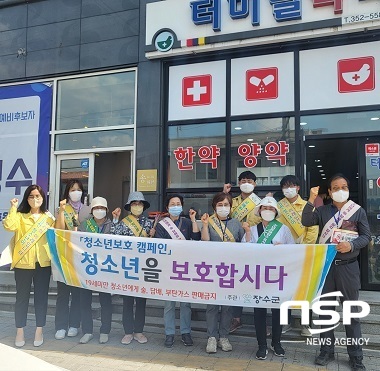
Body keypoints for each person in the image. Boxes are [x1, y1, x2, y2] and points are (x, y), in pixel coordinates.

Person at [302, 173, 371, 370]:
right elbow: (306, 221)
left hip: (348, 268)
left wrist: (351, 245)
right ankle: (326, 351)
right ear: (330, 192)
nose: (340, 190)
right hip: (328, 268)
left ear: (348, 190)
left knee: (351, 314)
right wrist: (310, 200)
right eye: (336, 187)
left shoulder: (357, 211)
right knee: (325, 313)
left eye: (344, 187)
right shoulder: (323, 211)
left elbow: (366, 236)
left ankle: (356, 357)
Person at [242, 196, 294, 360]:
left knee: (278, 311)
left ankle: (276, 343)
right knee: (259, 312)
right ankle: (261, 345)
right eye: (265, 208)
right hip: (258, 276)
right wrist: (248, 233)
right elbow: (244, 250)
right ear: (259, 211)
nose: (268, 211)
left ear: (276, 212)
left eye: (271, 209)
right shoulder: (253, 228)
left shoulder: (283, 228)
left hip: (277, 276)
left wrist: (282, 248)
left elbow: (292, 250)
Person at [2, 185, 55, 348]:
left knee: (41, 298)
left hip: (43, 263)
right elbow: (9, 226)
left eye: (38, 196)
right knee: (21, 298)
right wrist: (12, 207)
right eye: (31, 196)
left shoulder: (48, 218)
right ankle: (20, 330)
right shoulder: (20, 215)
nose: (35, 199)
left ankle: (39, 330)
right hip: (23, 264)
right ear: (27, 198)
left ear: (43, 198)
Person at [154, 194, 201, 348]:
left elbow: (196, 238)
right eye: (172, 204)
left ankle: (186, 332)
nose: (176, 206)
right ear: (167, 208)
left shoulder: (187, 222)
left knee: (185, 303)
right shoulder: (161, 225)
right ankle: (169, 333)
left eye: (178, 203)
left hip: (185, 268)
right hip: (169, 269)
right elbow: (161, 247)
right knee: (169, 304)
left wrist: (194, 219)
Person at [201, 192, 244, 354]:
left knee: (227, 306)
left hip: (231, 270)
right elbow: (204, 242)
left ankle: (223, 336)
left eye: (226, 205)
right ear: (214, 207)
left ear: (231, 207)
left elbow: (244, 245)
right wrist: (204, 225)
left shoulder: (236, 223)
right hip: (212, 269)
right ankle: (211, 337)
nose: (223, 208)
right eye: (220, 205)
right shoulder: (210, 222)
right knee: (212, 305)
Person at [276, 175, 319, 337]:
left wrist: (302, 248)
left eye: (291, 185)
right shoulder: (278, 207)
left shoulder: (308, 206)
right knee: (283, 288)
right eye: (285, 186)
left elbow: (313, 230)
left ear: (298, 188)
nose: (288, 189)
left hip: (302, 253)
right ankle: (284, 322)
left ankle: (306, 323)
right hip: (283, 254)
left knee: (304, 288)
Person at [111, 191, 152, 345]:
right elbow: (114, 239)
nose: (137, 206)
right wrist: (115, 220)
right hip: (127, 267)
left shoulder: (149, 223)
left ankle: (139, 331)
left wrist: (152, 236)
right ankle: (128, 331)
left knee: (141, 301)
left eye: (139, 203)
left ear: (143, 206)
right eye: (134, 204)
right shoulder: (122, 223)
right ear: (130, 206)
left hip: (143, 267)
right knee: (127, 301)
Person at [223, 171, 261, 333]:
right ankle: (236, 319)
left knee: (256, 282)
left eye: (249, 180)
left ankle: (260, 322)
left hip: (255, 246)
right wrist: (224, 194)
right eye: (243, 180)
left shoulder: (260, 202)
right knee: (236, 282)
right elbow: (221, 216)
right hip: (235, 246)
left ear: (255, 183)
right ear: (239, 183)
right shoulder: (232, 200)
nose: (246, 183)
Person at [54, 179, 91, 340]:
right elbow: (59, 229)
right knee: (63, 293)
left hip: (80, 258)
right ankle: (60, 325)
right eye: (72, 189)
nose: (76, 192)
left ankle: (74, 324)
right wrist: (62, 211)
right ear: (67, 192)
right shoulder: (61, 209)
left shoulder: (88, 210)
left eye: (78, 189)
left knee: (77, 293)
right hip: (64, 256)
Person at [78, 197, 113, 344]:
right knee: (84, 300)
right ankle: (87, 330)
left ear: (106, 210)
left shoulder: (112, 226)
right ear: (92, 210)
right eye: (96, 208)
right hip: (87, 267)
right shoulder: (84, 225)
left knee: (105, 301)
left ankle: (105, 330)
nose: (99, 210)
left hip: (105, 267)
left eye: (102, 208)